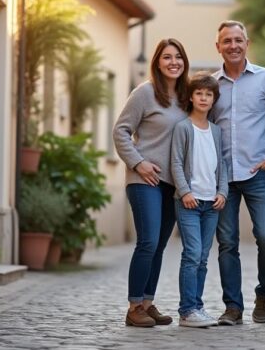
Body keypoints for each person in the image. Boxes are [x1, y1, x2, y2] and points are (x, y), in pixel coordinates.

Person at [209, 21, 265, 325]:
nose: (233, 46)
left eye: (238, 40)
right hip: (222, 176)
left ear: (247, 43)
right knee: (227, 242)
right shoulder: (211, 85)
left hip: (258, 172)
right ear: (218, 47)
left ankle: (264, 294)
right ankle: (233, 307)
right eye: (227, 41)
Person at [113, 38, 190, 327]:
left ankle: (147, 302)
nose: (173, 62)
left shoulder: (186, 97)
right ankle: (134, 307)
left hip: (172, 183)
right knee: (147, 241)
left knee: (159, 245)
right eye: (167, 57)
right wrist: (138, 162)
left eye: (178, 57)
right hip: (144, 179)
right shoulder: (144, 93)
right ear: (157, 62)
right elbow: (121, 131)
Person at [169, 73, 229, 328]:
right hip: (189, 202)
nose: (204, 98)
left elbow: (222, 165)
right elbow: (175, 162)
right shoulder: (183, 127)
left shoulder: (215, 130)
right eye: (199, 93)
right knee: (192, 253)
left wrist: (223, 192)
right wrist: (185, 192)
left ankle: (197, 306)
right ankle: (186, 310)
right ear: (191, 97)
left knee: (203, 257)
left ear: (214, 99)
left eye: (209, 94)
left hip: (211, 203)